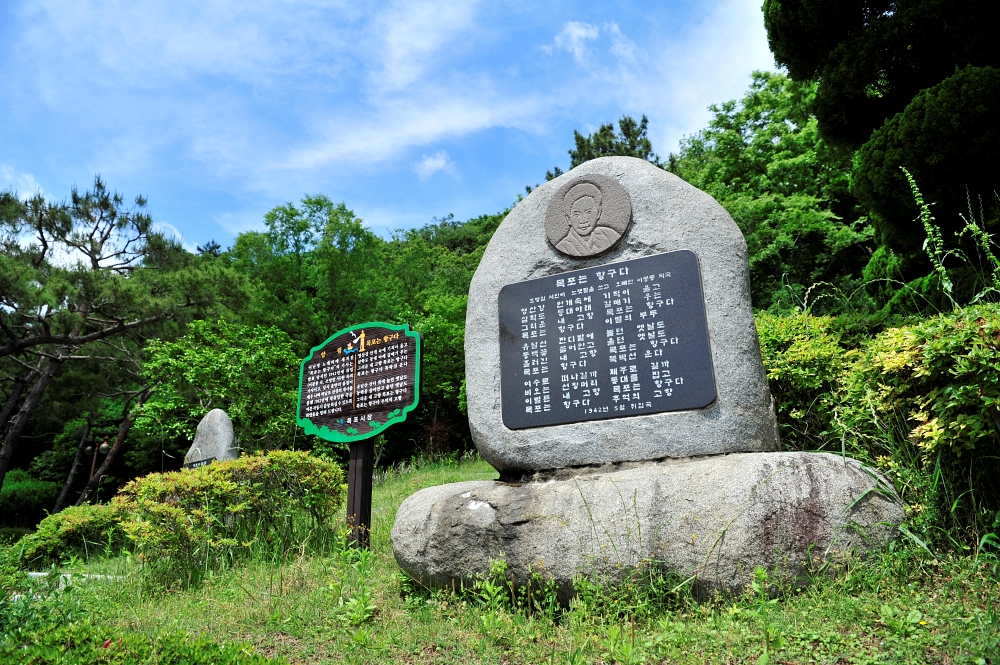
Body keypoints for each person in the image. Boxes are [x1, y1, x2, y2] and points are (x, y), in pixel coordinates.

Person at [556, 182, 621, 256]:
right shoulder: (564, 247)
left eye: (588, 212)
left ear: (598, 213)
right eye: (576, 215)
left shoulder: (609, 235)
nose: (583, 221)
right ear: (568, 219)